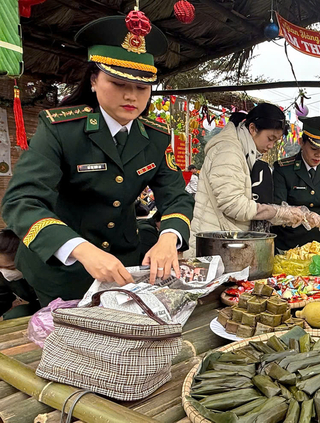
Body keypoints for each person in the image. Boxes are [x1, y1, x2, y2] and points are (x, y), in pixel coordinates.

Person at [1, 12, 194, 305]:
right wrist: (80, 248)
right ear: (94, 80)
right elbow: (21, 201)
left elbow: (177, 196)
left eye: (142, 87)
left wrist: (168, 237)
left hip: (124, 265)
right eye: (118, 83)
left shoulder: (154, 137)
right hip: (63, 269)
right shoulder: (60, 130)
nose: (131, 95)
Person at [189, 104, 309, 255]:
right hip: (214, 244)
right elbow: (234, 205)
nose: (271, 145)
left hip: (223, 242)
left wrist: (285, 213)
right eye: (270, 138)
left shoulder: (244, 152)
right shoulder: (229, 151)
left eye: (276, 141)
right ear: (252, 128)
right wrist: (278, 212)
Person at [272, 116, 320, 251]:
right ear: (301, 142)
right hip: (288, 244)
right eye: (314, 149)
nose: (319, 155)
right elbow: (277, 206)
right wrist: (304, 215)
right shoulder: (283, 169)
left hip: (319, 244)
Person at [0, 230, 41, 319]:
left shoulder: (45, 269)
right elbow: (2, 298)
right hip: (38, 306)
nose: (5, 272)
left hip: (65, 305)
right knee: (16, 315)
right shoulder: (3, 275)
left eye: (10, 267)